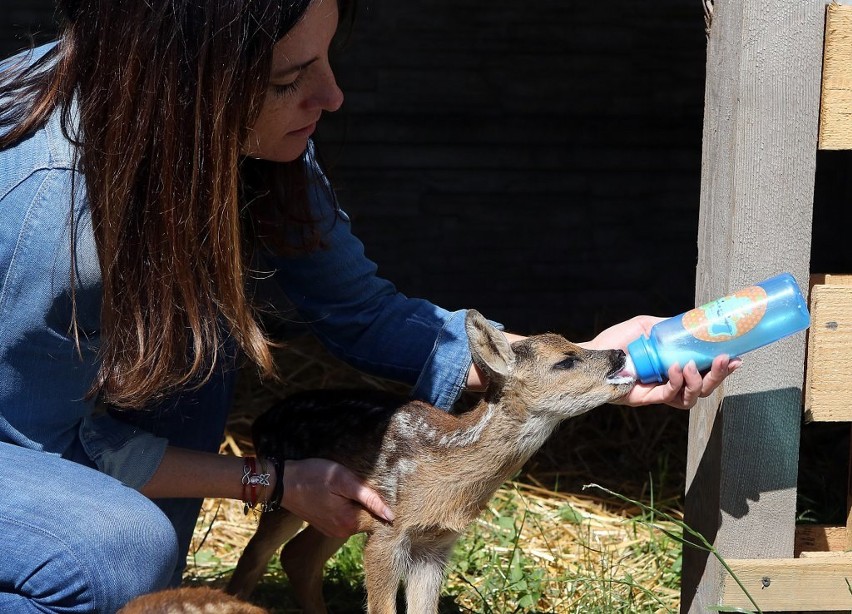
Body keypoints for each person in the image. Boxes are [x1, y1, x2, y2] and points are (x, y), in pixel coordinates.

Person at [0, 1, 738, 612]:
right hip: (24, 431)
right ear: (194, 84)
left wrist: (587, 355)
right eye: (292, 78)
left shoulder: (238, 141)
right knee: (120, 552)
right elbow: (60, 445)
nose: (331, 97)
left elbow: (365, 314)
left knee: (193, 358)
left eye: (327, 61)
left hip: (67, 406)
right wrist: (271, 481)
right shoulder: (58, 212)